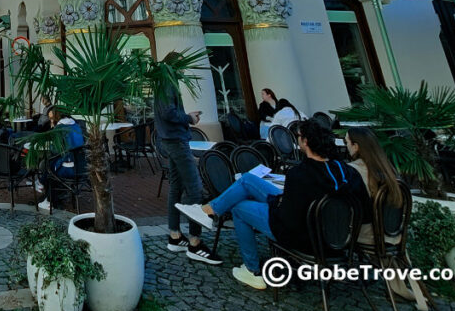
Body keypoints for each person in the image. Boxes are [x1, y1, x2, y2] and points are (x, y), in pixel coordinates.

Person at [176, 119, 371, 290]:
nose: (297, 139)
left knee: (239, 207)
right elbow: (365, 211)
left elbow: (288, 220)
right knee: (248, 181)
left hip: (304, 238)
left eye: (299, 136)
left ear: (305, 142)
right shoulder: (348, 172)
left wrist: (274, 202)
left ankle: (252, 270)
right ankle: (207, 211)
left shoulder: (300, 175)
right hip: (339, 240)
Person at [153, 64, 222, 265]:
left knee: (175, 188)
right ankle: (195, 242)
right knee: (195, 190)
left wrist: (186, 116)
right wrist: (188, 118)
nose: (183, 70)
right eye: (182, 65)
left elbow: (167, 112)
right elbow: (168, 112)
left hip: (171, 139)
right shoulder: (167, 83)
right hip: (176, 141)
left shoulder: (162, 83)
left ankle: (174, 235)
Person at [346, 128, 421, 304]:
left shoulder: (354, 171)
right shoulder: (388, 169)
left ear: (356, 147)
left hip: (368, 235)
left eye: (347, 142)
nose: (346, 146)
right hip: (393, 233)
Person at [36, 109, 84, 211]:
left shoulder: (60, 129)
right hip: (81, 167)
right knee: (51, 164)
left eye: (51, 118)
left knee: (49, 169)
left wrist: (53, 127)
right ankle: (42, 185)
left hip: (68, 169)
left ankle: (49, 200)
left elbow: (55, 150)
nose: (50, 120)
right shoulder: (77, 126)